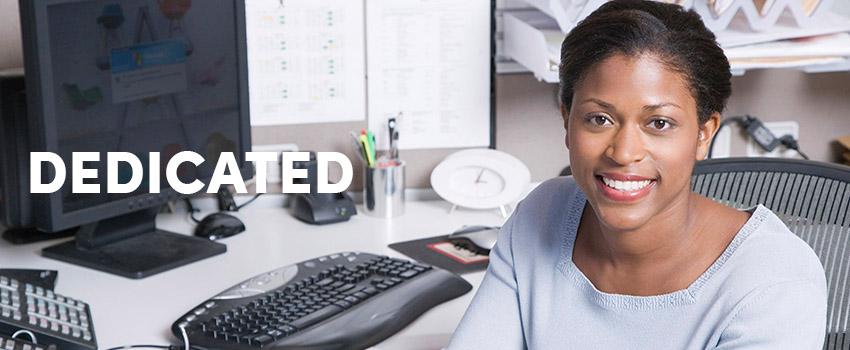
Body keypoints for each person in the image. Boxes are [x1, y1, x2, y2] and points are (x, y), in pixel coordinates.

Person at [447, 1, 827, 349]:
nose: (624, 152)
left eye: (659, 123)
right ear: (567, 120)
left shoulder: (774, 283)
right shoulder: (541, 213)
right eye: (599, 119)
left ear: (703, 133)